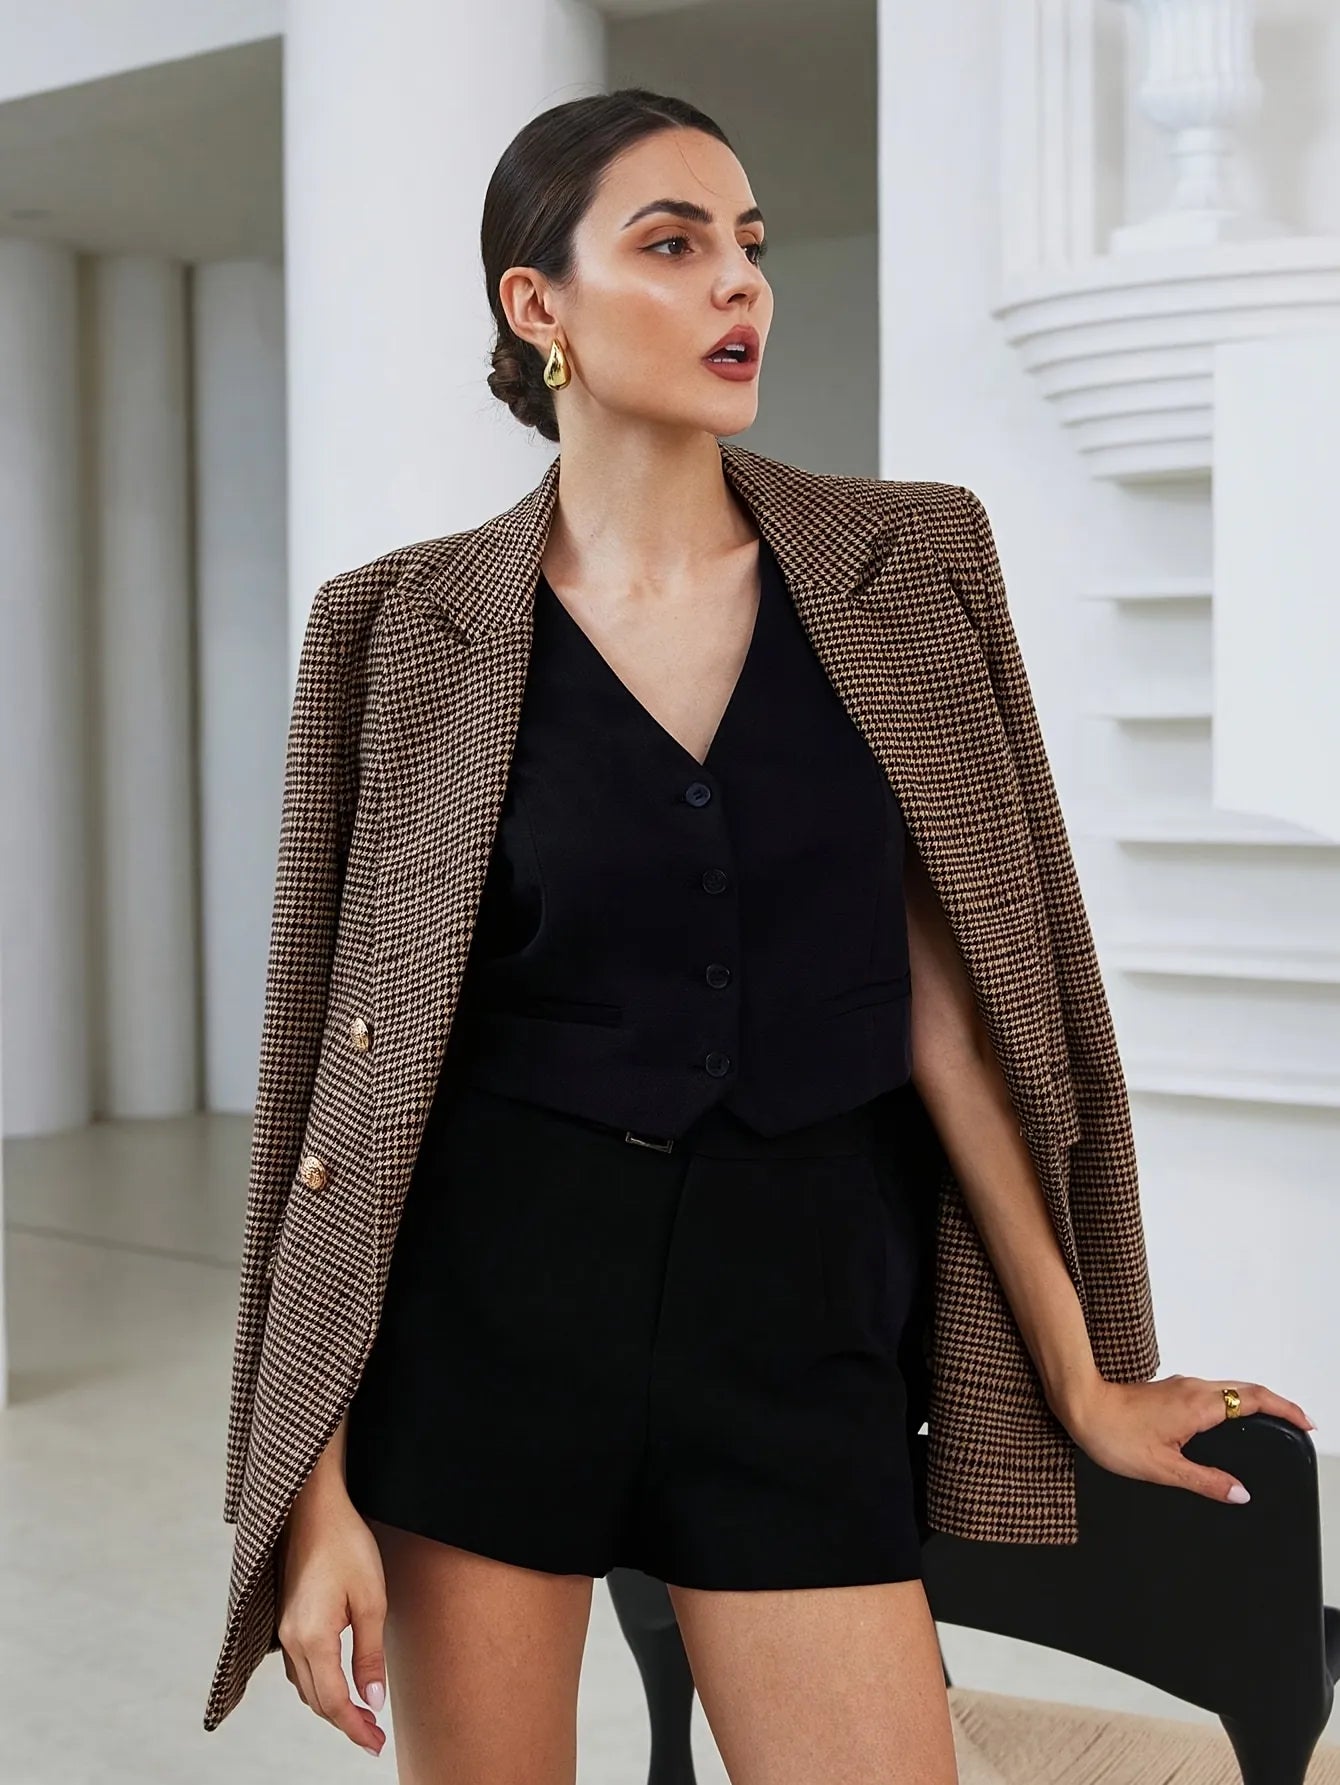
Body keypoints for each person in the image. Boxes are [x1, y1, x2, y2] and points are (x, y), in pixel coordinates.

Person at [204, 86, 1315, 1781]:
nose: (738, 285)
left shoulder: (907, 561)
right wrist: (317, 1487)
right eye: (672, 244)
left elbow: (961, 1015)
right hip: (490, 1337)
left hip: (803, 1327)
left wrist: (1089, 1378)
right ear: (538, 307)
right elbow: (337, 1102)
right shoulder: (395, 629)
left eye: (751, 246)